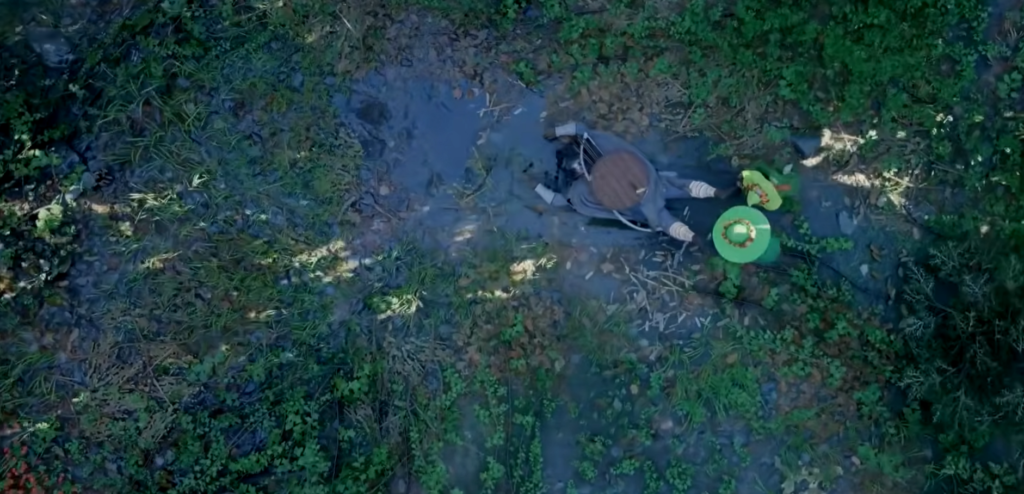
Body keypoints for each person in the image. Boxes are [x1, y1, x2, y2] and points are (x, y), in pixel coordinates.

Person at [536, 121, 738, 248]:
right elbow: (578, 128)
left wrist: (537, 187)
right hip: (651, 180)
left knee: (662, 220)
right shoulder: (597, 145)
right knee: (678, 185)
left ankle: (693, 237)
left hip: (640, 203)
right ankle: (716, 192)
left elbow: (560, 200)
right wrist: (555, 131)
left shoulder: (580, 193)